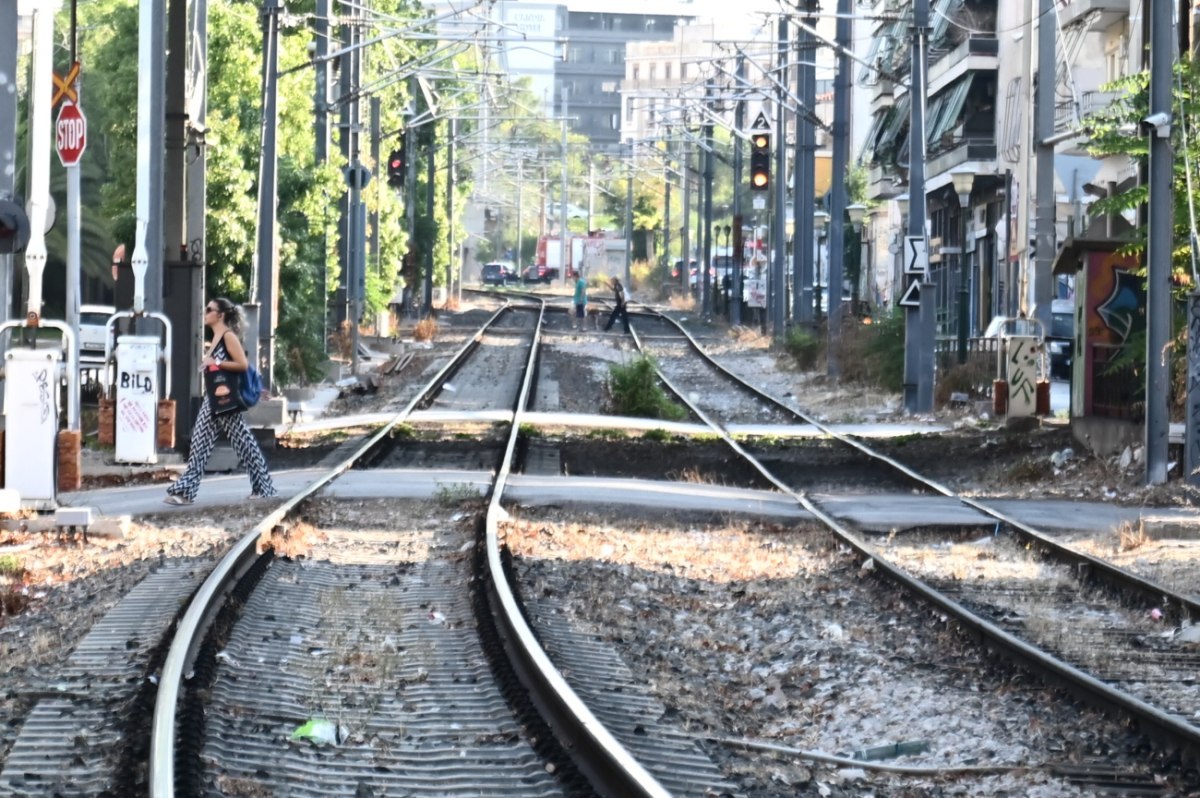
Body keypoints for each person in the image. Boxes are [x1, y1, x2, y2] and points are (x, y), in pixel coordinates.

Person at [164, 298, 277, 505]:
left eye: (209, 310)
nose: (205, 313)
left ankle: (264, 486)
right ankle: (185, 492)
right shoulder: (216, 337)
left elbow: (242, 364)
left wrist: (214, 361)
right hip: (214, 398)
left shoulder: (228, 336)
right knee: (200, 443)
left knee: (243, 442)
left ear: (220, 315)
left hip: (226, 399)